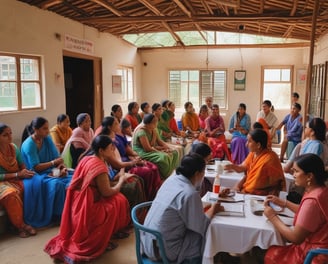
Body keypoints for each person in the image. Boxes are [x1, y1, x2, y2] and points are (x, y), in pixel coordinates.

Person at [44, 135, 131, 263]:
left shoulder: (87, 159)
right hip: (89, 208)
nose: (113, 150)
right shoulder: (100, 168)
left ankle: (110, 234)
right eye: (110, 148)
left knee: (118, 198)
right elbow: (107, 192)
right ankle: (101, 240)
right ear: (101, 151)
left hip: (78, 204)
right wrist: (121, 180)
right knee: (119, 200)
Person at [141, 153, 224, 263]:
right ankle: (215, 257)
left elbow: (180, 208)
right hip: (164, 250)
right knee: (202, 235)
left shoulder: (170, 180)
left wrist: (208, 204)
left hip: (147, 242)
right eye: (203, 172)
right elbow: (201, 225)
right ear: (197, 173)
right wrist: (214, 209)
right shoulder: (189, 193)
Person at [264, 153, 328, 264]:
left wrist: (272, 216)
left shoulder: (312, 201)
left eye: (296, 171)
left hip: (313, 255)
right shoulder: (321, 190)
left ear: (309, 176)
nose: (293, 175)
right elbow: (310, 215)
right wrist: (284, 203)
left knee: (267, 250)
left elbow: (295, 238)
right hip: (320, 248)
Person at [21, 117, 72, 228]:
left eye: (47, 128)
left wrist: (61, 168)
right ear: (36, 129)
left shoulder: (47, 139)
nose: (48, 131)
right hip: (34, 175)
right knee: (57, 184)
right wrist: (54, 163)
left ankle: (71, 212)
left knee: (72, 177)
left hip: (49, 170)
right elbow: (36, 167)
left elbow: (57, 157)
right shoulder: (29, 144)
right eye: (44, 128)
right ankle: (57, 215)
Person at [101, 116, 162, 201]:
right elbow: (116, 163)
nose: (119, 125)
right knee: (146, 173)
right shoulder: (106, 141)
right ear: (109, 127)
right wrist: (133, 163)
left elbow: (128, 151)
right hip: (121, 168)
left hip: (125, 163)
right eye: (116, 123)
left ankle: (153, 197)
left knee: (152, 167)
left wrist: (136, 157)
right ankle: (146, 201)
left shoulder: (117, 136)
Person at [95, 117, 147, 208]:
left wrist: (132, 160)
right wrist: (121, 178)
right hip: (112, 178)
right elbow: (107, 190)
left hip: (117, 170)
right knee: (135, 184)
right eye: (115, 124)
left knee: (138, 180)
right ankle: (135, 212)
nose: (113, 148)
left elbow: (118, 160)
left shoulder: (112, 141)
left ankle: (139, 210)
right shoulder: (101, 159)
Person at [0, 123, 36, 238]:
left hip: (17, 178)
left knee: (35, 184)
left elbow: (21, 164)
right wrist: (17, 174)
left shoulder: (14, 148)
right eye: (5, 135)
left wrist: (25, 172)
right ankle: (20, 226)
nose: (10, 137)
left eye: (10, 133)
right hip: (2, 181)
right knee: (11, 194)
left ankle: (35, 218)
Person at [225, 129, 285, 195]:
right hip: (247, 191)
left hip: (260, 196)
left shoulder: (270, 159)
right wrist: (232, 166)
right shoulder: (253, 153)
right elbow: (244, 169)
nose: (246, 144)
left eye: (249, 141)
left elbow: (276, 184)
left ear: (258, 145)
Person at [133, 113, 179, 179]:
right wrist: (162, 151)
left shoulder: (154, 129)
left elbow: (159, 141)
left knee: (174, 152)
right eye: (154, 122)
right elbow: (147, 149)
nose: (156, 123)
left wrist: (168, 148)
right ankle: (165, 176)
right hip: (142, 151)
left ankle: (170, 172)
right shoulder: (141, 132)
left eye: (156, 121)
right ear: (148, 124)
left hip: (152, 148)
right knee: (164, 157)